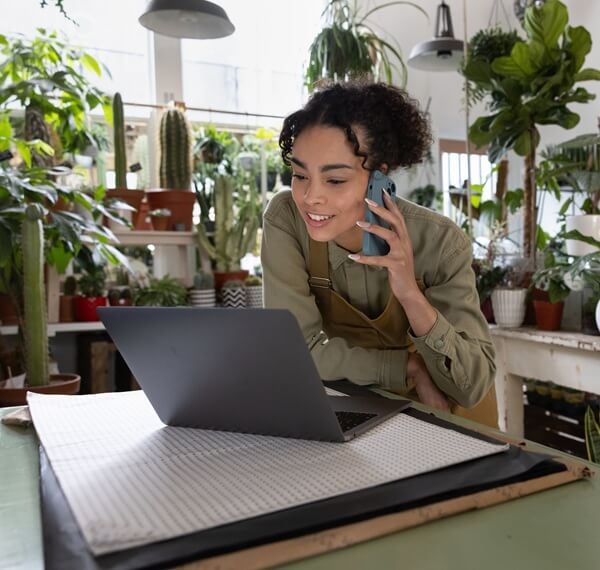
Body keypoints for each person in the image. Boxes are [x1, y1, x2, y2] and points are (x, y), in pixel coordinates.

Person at [261, 81, 497, 428]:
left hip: (451, 419)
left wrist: (409, 293)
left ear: (379, 178)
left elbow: (472, 384)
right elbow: (293, 355)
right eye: (299, 175)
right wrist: (407, 367)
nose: (310, 197)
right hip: (368, 415)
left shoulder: (440, 242)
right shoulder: (286, 221)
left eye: (335, 181)